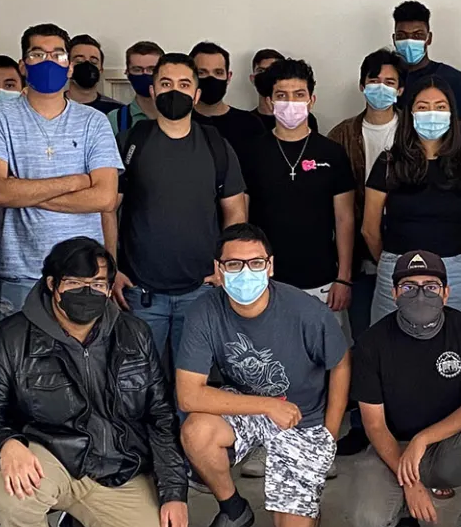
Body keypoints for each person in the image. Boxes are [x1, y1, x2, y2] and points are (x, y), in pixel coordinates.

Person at [0, 237, 187, 527]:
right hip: (48, 458)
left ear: (110, 289)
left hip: (115, 464)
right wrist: (6, 444)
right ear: (53, 285)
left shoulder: (133, 333)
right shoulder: (12, 337)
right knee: (11, 491)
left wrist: (173, 493)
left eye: (97, 284)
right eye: (76, 283)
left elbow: (160, 417)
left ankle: (80, 520)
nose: (88, 292)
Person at [178, 224, 350, 527]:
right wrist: (266, 405)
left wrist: (329, 433)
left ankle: (304, 490)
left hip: (303, 418)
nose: (246, 273)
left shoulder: (305, 311)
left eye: (256, 263)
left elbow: (340, 363)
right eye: (233, 264)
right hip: (248, 406)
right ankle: (233, 509)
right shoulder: (204, 312)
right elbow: (189, 394)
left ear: (270, 266)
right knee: (196, 431)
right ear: (218, 269)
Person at [348, 249, 461, 527]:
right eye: (409, 287)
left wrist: (424, 439)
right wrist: (411, 483)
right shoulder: (371, 344)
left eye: (431, 286)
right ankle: (405, 512)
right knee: (367, 523)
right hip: (394, 448)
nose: (420, 294)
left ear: (446, 292)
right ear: (394, 293)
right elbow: (375, 426)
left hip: (450, 448)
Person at [0, 26, 121, 316]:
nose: (48, 61)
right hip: (20, 274)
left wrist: (24, 191)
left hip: (85, 272)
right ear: (23, 65)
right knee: (18, 360)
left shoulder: (94, 121)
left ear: (69, 67)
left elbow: (105, 198)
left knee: (82, 360)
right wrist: (79, 182)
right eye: (37, 54)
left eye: (57, 55)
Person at [115, 51, 247, 357]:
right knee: (137, 384)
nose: (174, 91)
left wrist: (226, 269)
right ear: (153, 90)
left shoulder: (216, 145)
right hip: (141, 292)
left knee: (192, 387)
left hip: (200, 290)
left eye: (184, 84)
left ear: (196, 94)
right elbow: (108, 209)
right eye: (166, 83)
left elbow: (235, 212)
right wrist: (111, 267)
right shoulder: (130, 142)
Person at [238, 59, 355, 318]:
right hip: (264, 280)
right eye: (282, 95)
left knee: (323, 355)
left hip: (322, 280)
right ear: (269, 102)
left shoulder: (332, 153)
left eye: (299, 94)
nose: (291, 102)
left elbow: (344, 218)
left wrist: (343, 278)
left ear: (312, 100)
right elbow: (240, 218)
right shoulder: (251, 153)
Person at [364, 79, 461, 321]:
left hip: (454, 273)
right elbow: (369, 230)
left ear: (452, 113)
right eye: (423, 106)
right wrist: (394, 262)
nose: (432, 113)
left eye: (440, 107)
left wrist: (449, 261)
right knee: (391, 348)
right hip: (397, 270)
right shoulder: (388, 164)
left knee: (458, 344)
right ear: (410, 113)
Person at [329, 50, 406, 336]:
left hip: (404, 247)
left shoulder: (413, 132)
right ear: (362, 85)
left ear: (400, 89)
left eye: (390, 82)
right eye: (374, 80)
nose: (381, 88)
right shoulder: (340, 135)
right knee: (365, 336)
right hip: (356, 254)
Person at [392, 0, 461, 121]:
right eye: (402, 36)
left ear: (429, 38)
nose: (409, 41)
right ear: (394, 39)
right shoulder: (386, 80)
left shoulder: (454, 79)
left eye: (417, 35)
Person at [187, 41, 267, 149]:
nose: (211, 78)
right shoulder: (180, 122)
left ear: (228, 77)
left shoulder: (250, 124)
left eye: (218, 72)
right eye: (202, 72)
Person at [66, 34, 128, 121]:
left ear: (101, 70)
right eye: (79, 61)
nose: (86, 66)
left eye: (93, 62)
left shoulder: (118, 112)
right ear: (67, 66)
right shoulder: (53, 107)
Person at [112, 40, 165, 135]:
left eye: (151, 69)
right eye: (137, 69)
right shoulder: (115, 119)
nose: (145, 74)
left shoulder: (179, 115)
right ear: (127, 73)